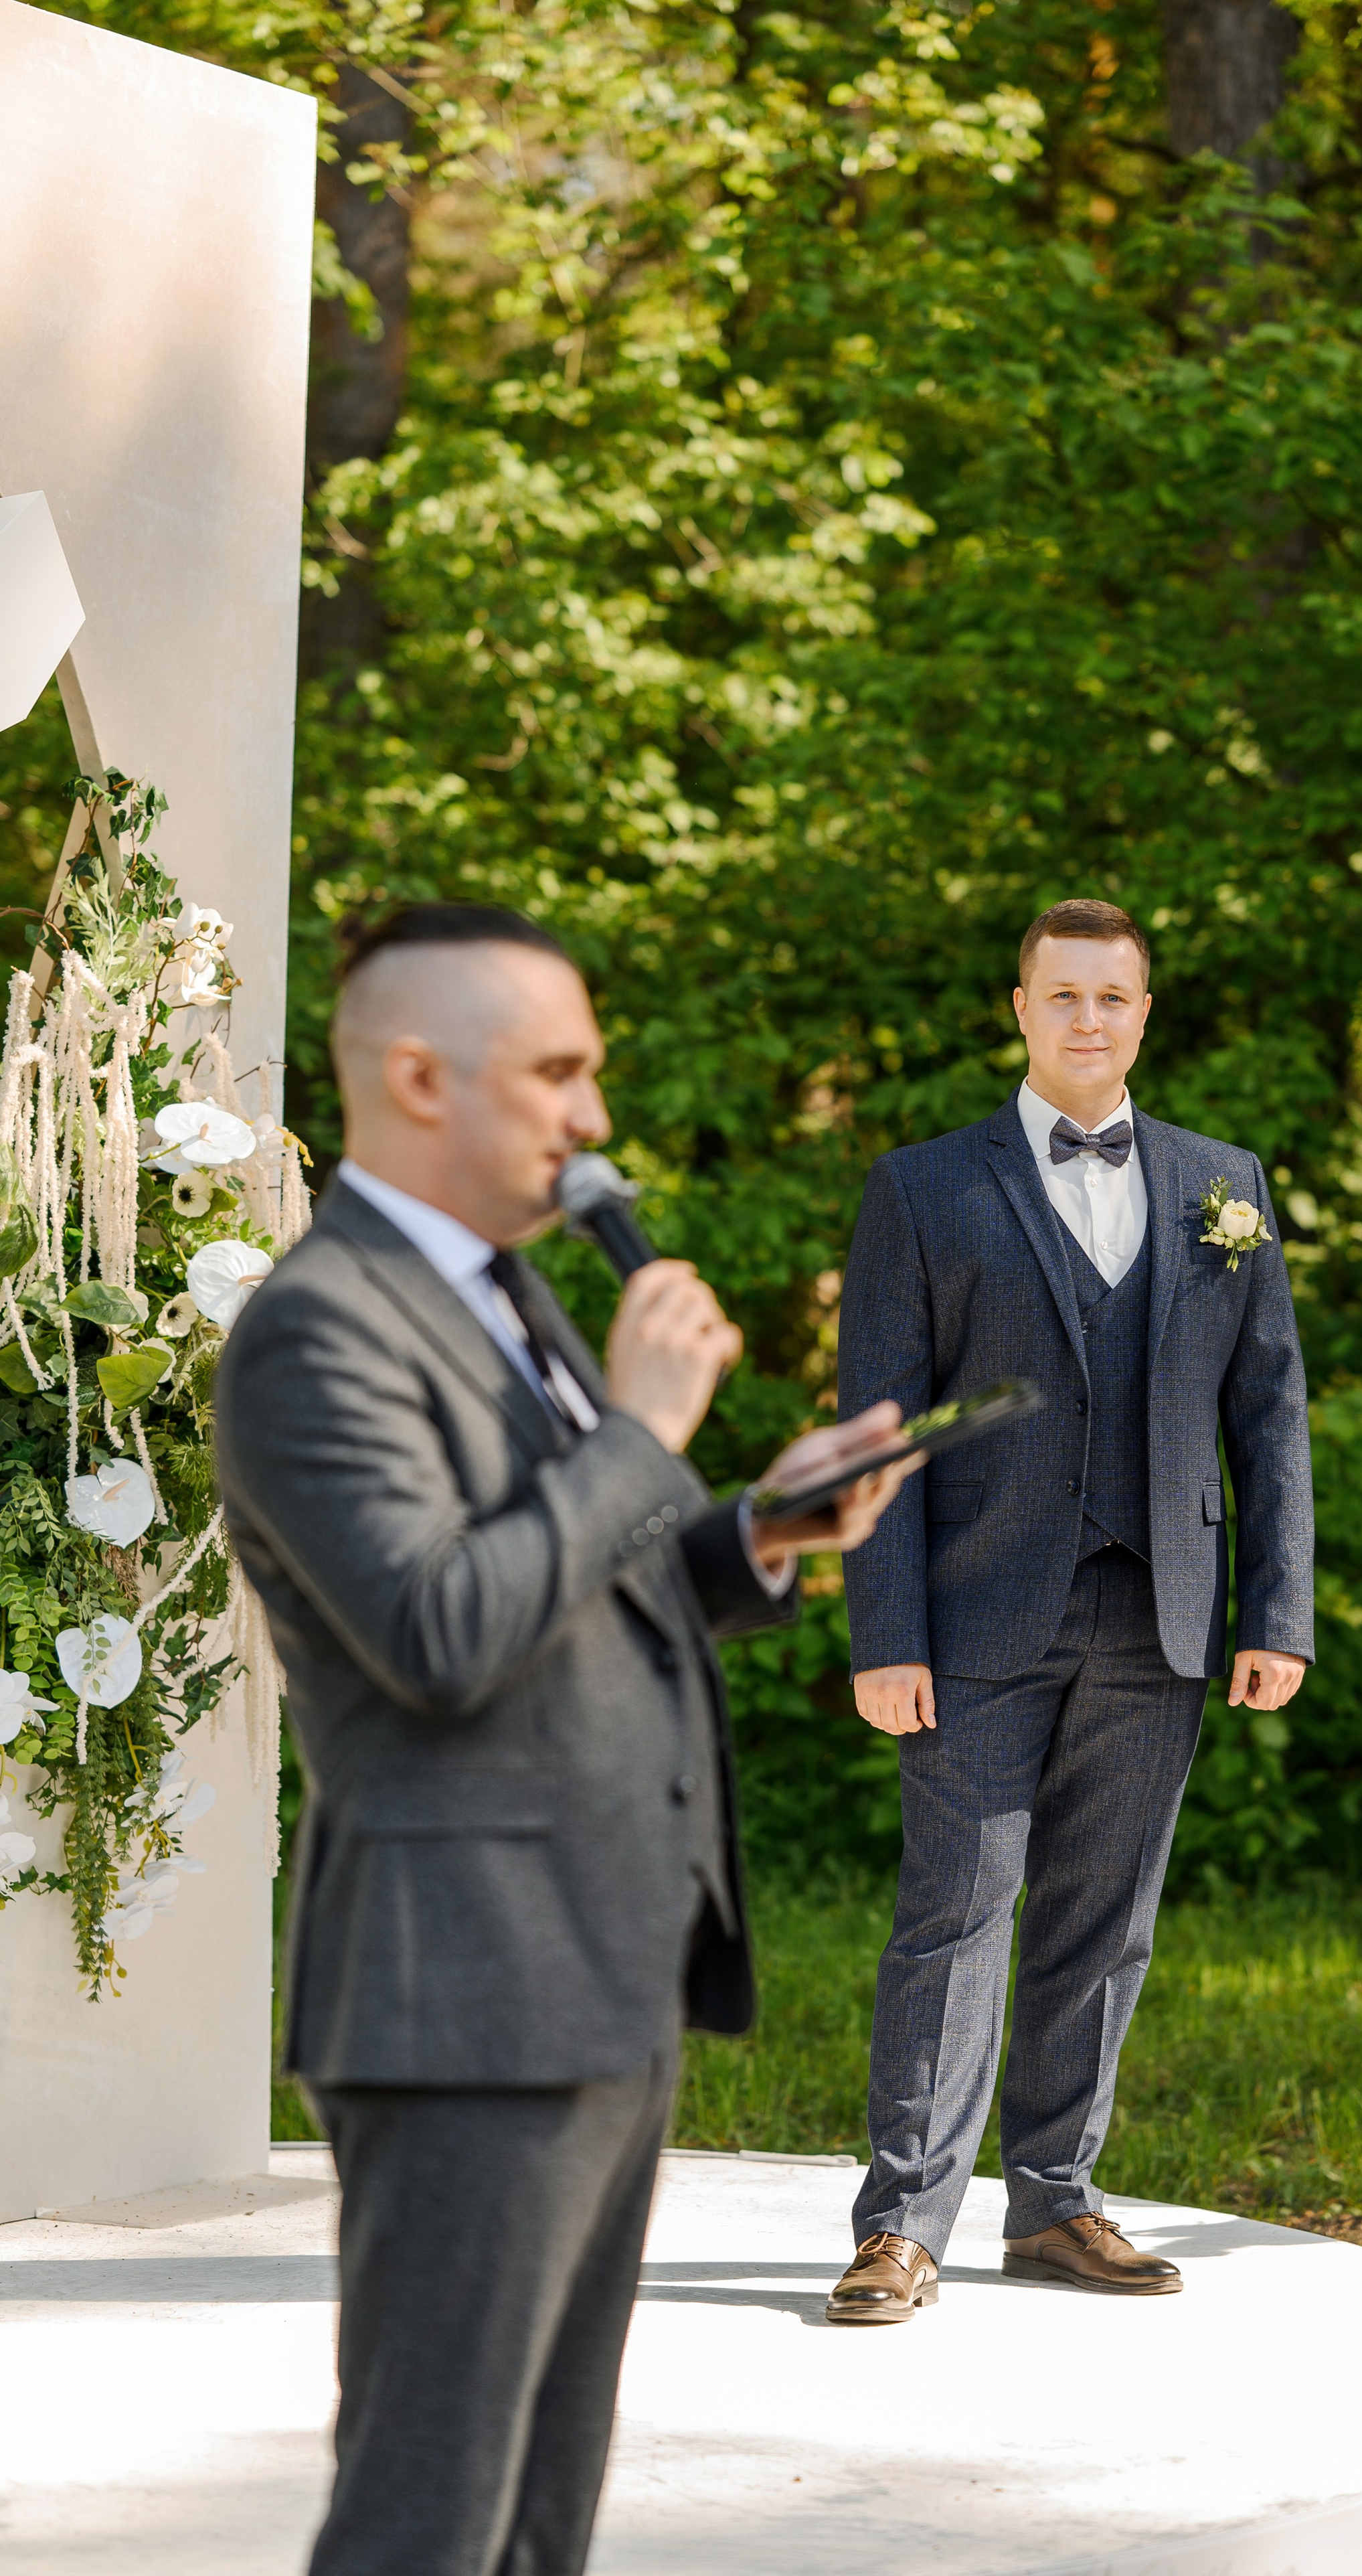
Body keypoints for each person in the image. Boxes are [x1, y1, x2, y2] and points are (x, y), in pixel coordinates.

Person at [216, 902, 914, 2574]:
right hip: (463, 1991)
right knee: (429, 2513)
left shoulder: (500, 1294)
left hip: (597, 1974)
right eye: (558, 1071)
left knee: (543, 2509)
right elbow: (438, 1630)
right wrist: (644, 1430)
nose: (593, 1115)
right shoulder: (317, 1327)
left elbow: (567, 1578)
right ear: (418, 1078)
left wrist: (754, 1531)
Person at [827, 896, 1314, 2325]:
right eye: (1063, 994)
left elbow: (1269, 1412)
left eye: (1113, 996)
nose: (1087, 1018)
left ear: (1143, 1014)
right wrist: (884, 1633)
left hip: (1161, 1613)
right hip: (975, 1613)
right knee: (955, 1913)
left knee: (1105, 1919)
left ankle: (1052, 2202)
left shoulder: (1222, 1183)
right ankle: (901, 2224)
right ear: (1020, 1008)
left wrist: (1276, 1611)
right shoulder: (922, 1188)